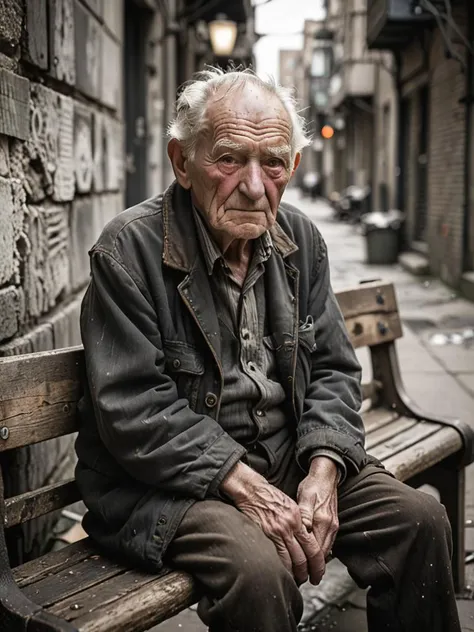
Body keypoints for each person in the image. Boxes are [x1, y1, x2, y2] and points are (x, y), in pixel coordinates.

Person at [76, 68, 460, 632]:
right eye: (229, 159)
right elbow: (134, 410)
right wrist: (250, 489)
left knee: (420, 519)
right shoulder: (127, 251)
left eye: (274, 162)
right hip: (169, 489)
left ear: (293, 167)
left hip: (289, 463)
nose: (255, 185)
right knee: (259, 576)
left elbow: (332, 369)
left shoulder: (300, 241)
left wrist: (324, 472)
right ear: (182, 162)